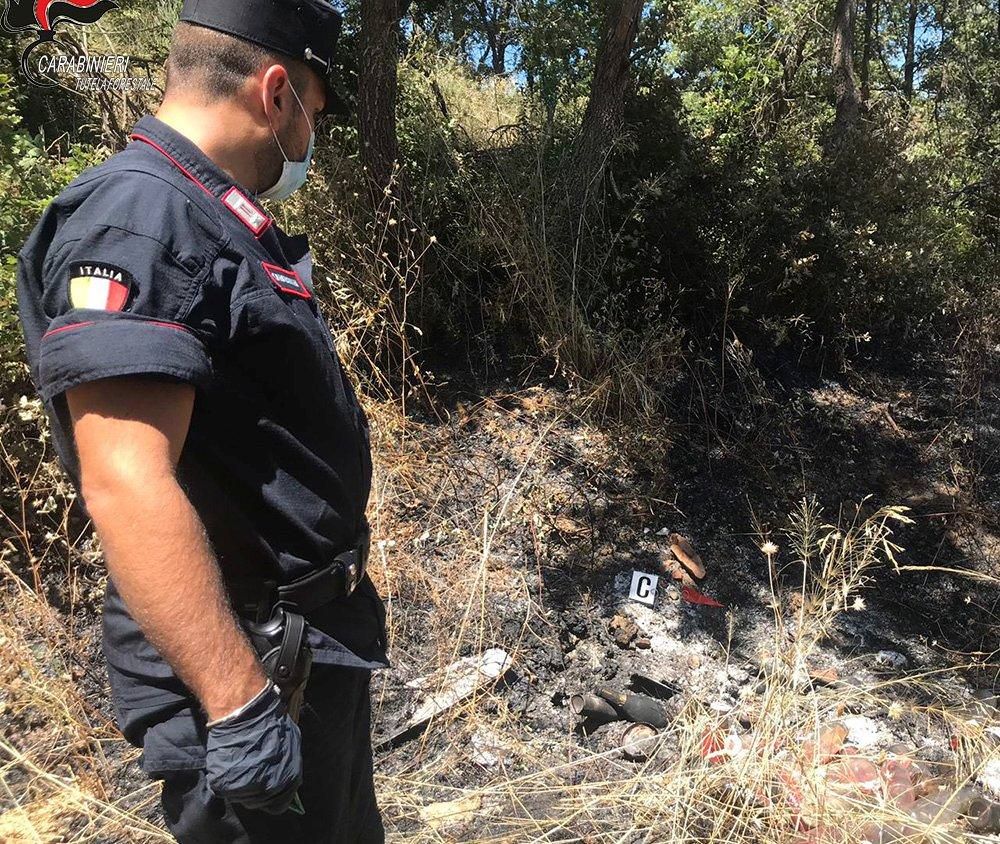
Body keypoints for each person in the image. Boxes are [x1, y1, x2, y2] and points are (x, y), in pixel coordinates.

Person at [15, 1, 391, 841]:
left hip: (303, 650)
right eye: (316, 114)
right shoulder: (143, 217)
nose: (310, 140)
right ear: (276, 92)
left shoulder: (213, 214)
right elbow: (124, 477)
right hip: (247, 665)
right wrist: (239, 705)